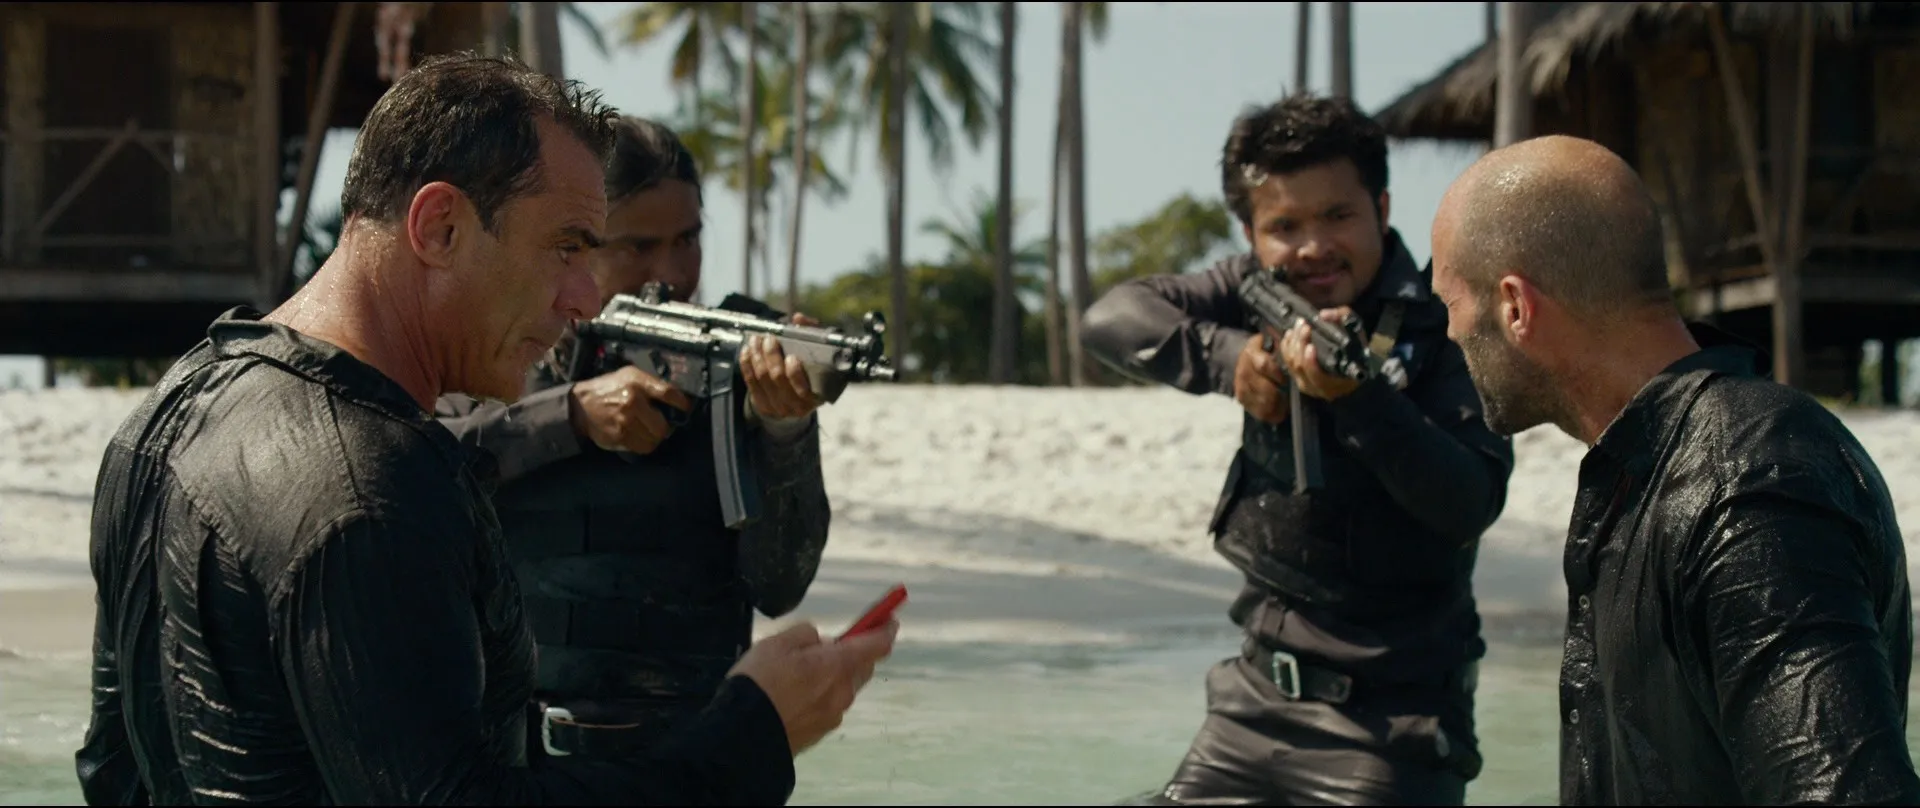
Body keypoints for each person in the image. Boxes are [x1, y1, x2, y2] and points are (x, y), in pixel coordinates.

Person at [74, 53, 895, 806]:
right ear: (440, 227)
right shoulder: (373, 487)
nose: (586, 297)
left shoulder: (165, 416)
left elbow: (113, 772)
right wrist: (751, 738)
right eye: (567, 247)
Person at [1428, 133, 1920, 805]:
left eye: (1450, 303)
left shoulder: (1747, 484)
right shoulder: (1652, 463)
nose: (1450, 333)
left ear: (1515, 307)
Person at [1082, 93, 1514, 805]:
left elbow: (1469, 500)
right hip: (1247, 707)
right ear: (1250, 235)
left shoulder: (1448, 323)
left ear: (1381, 208)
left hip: (1393, 728)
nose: (1313, 247)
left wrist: (1362, 399)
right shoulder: (1252, 291)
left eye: (1338, 216)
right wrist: (1232, 361)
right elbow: (1111, 319)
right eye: (1284, 226)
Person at [433, 115, 834, 759]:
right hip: (522, 756)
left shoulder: (736, 367)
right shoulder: (502, 357)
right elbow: (414, 466)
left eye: (688, 239)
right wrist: (570, 418)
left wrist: (785, 428)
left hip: (694, 754)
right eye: (638, 247)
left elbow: (781, 585)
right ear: (574, 244)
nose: (671, 272)